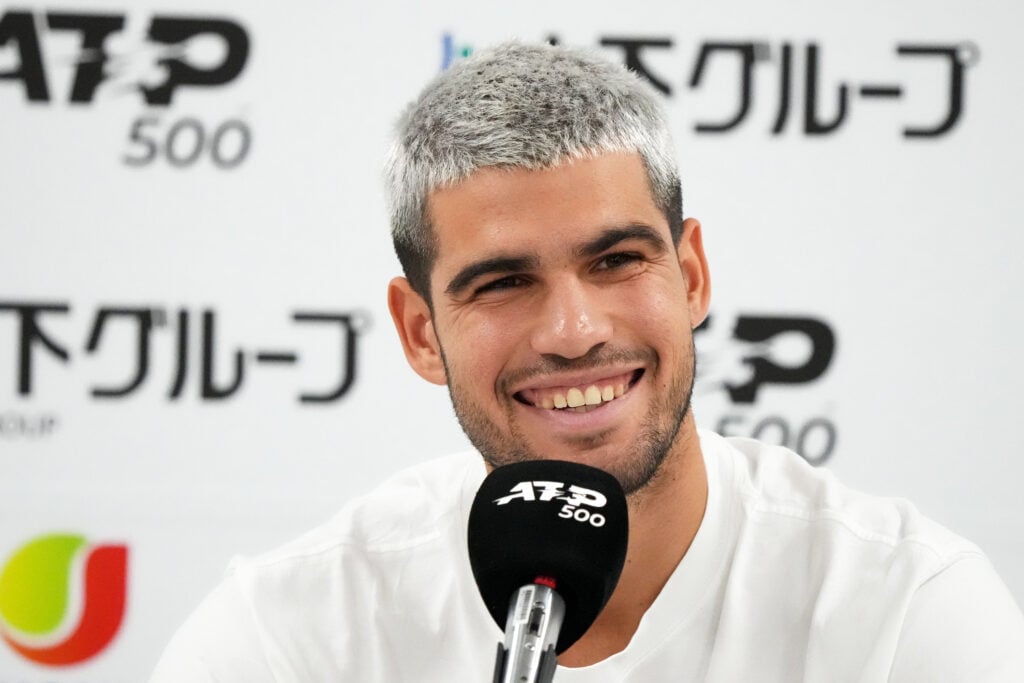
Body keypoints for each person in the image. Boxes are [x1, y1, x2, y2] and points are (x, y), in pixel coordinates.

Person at [150, 42, 1024, 681]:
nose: (573, 329)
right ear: (420, 331)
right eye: (501, 282)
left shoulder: (907, 609)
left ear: (690, 276)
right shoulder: (290, 635)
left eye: (616, 262)